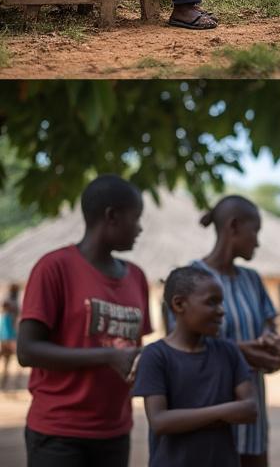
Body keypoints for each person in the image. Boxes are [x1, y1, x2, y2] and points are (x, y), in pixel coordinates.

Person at [17, 175, 151, 467]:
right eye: (136, 218)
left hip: (115, 430)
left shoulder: (137, 277)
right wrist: (107, 356)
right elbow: (27, 351)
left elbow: (133, 353)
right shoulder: (55, 268)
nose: (140, 228)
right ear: (112, 216)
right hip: (59, 432)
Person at [183, 196, 280, 467]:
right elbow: (184, 347)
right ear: (233, 226)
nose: (257, 241)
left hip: (251, 411)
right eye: (254, 231)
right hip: (208, 408)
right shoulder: (189, 279)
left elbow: (269, 325)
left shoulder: (252, 280)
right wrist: (240, 353)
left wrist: (273, 343)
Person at [132, 267, 257, 467]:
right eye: (211, 302)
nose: (221, 310)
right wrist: (224, 412)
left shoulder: (229, 352)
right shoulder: (156, 356)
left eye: (221, 302)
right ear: (180, 304)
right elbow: (160, 421)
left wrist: (183, 419)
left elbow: (249, 410)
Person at [1, 283, 18, 391]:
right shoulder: (6, 317)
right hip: (6, 341)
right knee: (6, 363)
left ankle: (4, 384)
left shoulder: (5, 316)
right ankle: (3, 384)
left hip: (6, 340)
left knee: (6, 363)